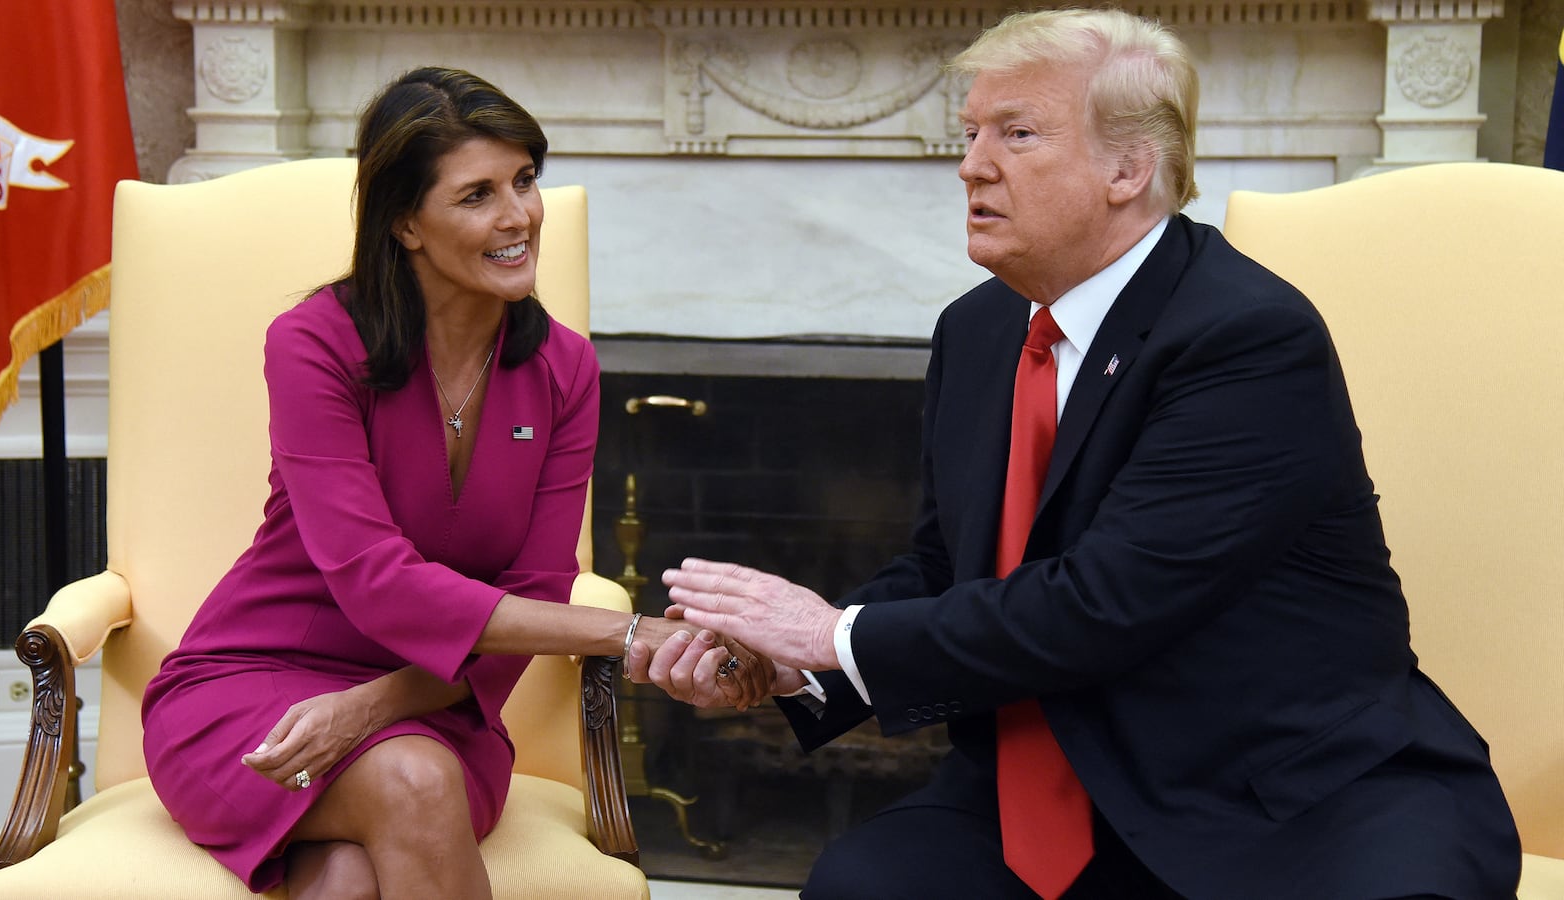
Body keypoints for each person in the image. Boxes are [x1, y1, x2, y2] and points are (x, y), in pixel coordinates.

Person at [637, 10, 1522, 900]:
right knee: (861, 885)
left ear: (1129, 169)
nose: (972, 164)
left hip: (1281, 797)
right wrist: (799, 666)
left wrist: (829, 631)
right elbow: (950, 566)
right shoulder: (978, 328)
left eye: (1017, 134)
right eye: (972, 131)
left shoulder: (1246, 337)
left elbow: (1106, 603)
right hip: (1049, 788)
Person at [140, 66, 767, 899]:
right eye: (476, 195)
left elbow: (534, 590)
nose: (518, 218)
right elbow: (376, 582)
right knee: (405, 796)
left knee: (368, 849)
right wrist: (628, 636)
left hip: (439, 706)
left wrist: (371, 708)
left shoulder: (565, 368)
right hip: (253, 689)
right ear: (405, 223)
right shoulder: (314, 344)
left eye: (524, 180)